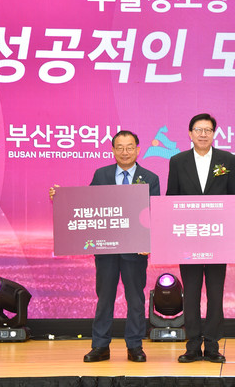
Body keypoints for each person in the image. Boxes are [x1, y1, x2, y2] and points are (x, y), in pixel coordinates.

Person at [49, 130, 160, 362]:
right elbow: (88, 204)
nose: (125, 152)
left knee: (135, 300)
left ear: (138, 150)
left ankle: (135, 346)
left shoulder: (150, 178)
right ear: (113, 150)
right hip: (106, 250)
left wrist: (148, 241)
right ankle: (100, 346)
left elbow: (154, 213)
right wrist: (60, 197)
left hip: (135, 251)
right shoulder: (102, 174)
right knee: (104, 299)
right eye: (120, 147)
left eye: (130, 147)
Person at [166, 113, 235, 363]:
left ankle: (212, 345)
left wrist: (234, 234)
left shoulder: (227, 160)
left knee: (215, 293)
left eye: (208, 130)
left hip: (218, 238)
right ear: (190, 134)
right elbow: (171, 198)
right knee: (191, 293)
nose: (203, 134)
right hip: (188, 237)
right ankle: (192, 345)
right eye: (198, 130)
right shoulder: (178, 161)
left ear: (214, 134)